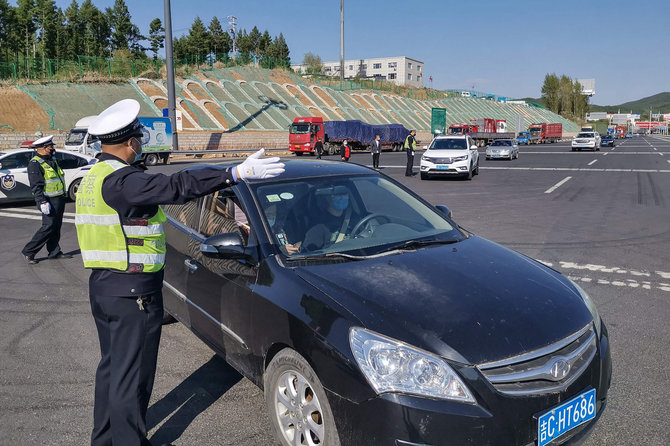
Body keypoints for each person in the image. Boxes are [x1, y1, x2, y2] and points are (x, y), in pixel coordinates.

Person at [74, 99, 284, 446]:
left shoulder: (94, 178)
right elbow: (178, 186)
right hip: (133, 294)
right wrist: (234, 173)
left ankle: (104, 440)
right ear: (131, 142)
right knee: (133, 378)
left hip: (106, 288)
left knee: (112, 371)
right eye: (139, 137)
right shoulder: (123, 182)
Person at [21, 135, 72, 264]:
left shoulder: (51, 159)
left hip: (59, 198)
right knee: (48, 227)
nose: (52, 148)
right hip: (48, 200)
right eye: (50, 146)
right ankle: (29, 251)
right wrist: (41, 201)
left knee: (56, 226)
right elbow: (36, 185)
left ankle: (54, 252)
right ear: (43, 148)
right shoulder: (35, 164)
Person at [301, 185, 355, 252]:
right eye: (337, 195)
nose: (342, 197)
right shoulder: (317, 228)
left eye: (344, 194)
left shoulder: (356, 218)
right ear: (327, 198)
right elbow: (309, 256)